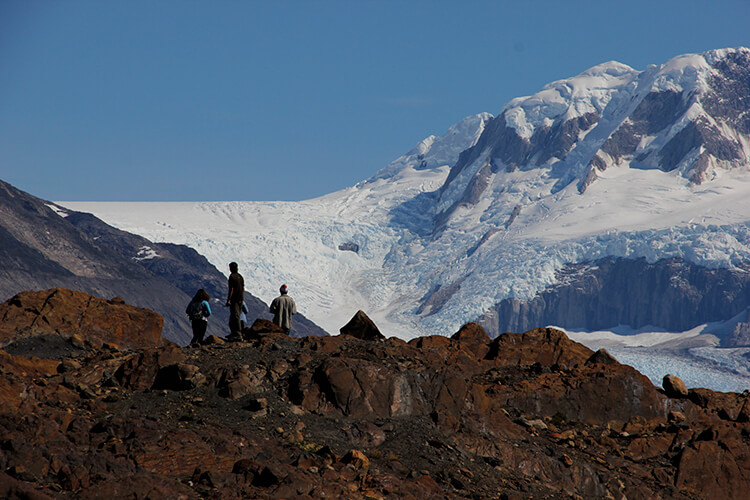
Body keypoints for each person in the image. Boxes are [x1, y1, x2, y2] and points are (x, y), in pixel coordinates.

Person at [226, 261, 245, 340]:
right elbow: (243, 289)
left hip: (235, 299)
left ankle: (237, 333)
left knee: (235, 316)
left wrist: (228, 300)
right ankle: (236, 333)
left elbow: (231, 289)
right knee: (238, 315)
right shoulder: (240, 276)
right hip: (240, 299)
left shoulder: (232, 277)